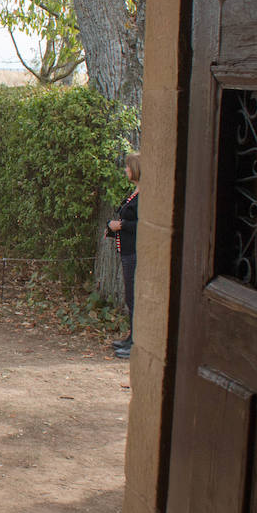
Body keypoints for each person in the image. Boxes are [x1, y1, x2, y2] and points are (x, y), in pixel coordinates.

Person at [107, 152, 140, 360]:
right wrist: (112, 229)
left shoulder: (145, 196)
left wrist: (121, 225)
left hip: (135, 253)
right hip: (127, 251)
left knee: (135, 297)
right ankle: (131, 338)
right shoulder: (135, 193)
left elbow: (142, 224)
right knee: (130, 296)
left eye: (128, 166)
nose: (126, 169)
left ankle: (137, 343)